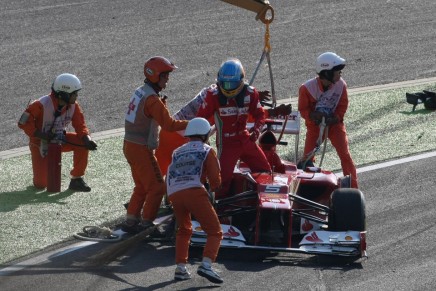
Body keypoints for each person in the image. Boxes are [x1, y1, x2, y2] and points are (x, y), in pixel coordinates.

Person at [155, 87, 291, 175]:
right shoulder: (212, 97)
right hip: (177, 139)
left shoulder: (215, 93)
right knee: (163, 179)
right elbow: (230, 114)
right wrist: (271, 111)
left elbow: (235, 114)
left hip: (179, 137)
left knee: (172, 177)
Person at [122, 56, 189, 234]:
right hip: (141, 148)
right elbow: (169, 125)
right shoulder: (152, 100)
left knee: (142, 186)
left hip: (130, 145)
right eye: (165, 75)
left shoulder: (141, 91)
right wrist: (192, 123)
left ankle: (131, 220)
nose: (168, 79)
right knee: (158, 187)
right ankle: (146, 223)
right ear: (155, 76)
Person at [196, 58, 272, 198]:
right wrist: (203, 140)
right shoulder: (212, 95)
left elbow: (260, 115)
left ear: (241, 80)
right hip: (226, 144)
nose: (229, 87)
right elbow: (200, 119)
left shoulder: (251, 93)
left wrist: (256, 130)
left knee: (265, 171)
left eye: (233, 83)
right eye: (225, 83)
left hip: (245, 139)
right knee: (221, 182)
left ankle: (260, 204)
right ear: (219, 81)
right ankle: (219, 211)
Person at [18, 73, 97, 192]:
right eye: (74, 93)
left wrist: (87, 139)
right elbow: (22, 122)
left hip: (60, 140)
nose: (77, 96)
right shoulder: (40, 104)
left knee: (82, 142)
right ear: (63, 94)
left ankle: (76, 179)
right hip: (40, 144)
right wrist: (42, 135)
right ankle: (40, 174)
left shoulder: (74, 106)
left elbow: (80, 126)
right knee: (41, 184)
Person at [166, 117, 223, 284]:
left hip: (174, 193)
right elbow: (215, 178)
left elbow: (169, 173)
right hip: (195, 192)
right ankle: (206, 264)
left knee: (183, 230)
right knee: (215, 231)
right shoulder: (207, 150)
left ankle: (181, 268)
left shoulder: (177, 151)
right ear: (205, 135)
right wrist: (214, 189)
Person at [298, 52, 358, 188]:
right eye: (337, 71)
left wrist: (335, 118)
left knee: (345, 155)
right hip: (315, 127)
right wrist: (313, 116)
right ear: (327, 73)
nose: (340, 74)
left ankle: (353, 188)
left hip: (335, 125)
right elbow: (303, 109)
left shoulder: (341, 85)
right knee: (307, 157)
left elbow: (343, 105)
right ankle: (305, 187)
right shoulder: (306, 88)